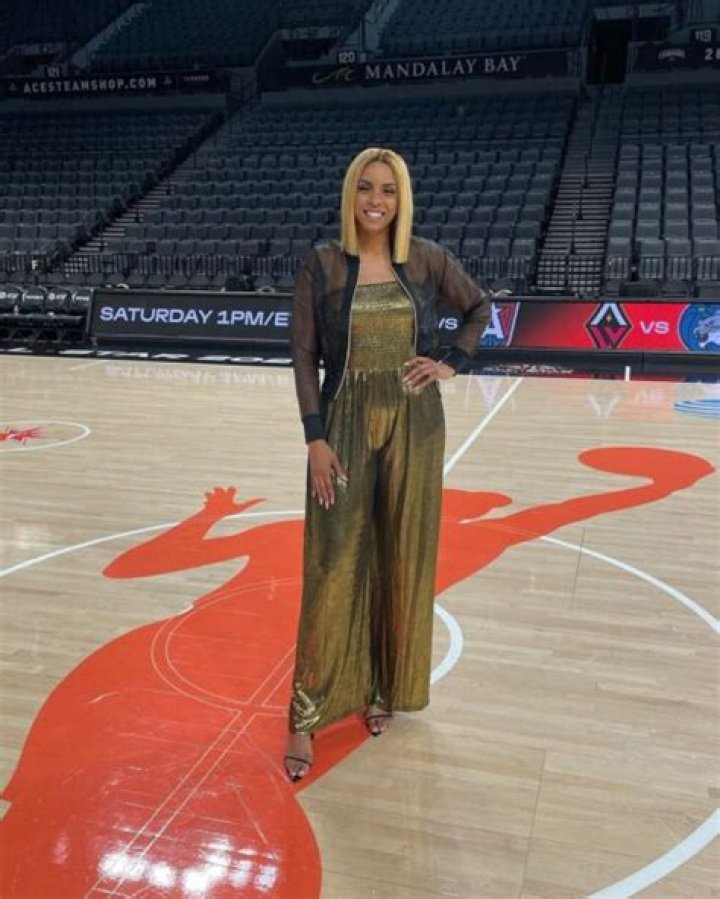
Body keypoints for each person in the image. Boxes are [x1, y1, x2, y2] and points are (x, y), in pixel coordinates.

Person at [284, 147, 492, 781]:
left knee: (400, 556)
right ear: (351, 195)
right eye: (366, 188)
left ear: (402, 200)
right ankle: (305, 715)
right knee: (333, 562)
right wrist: (315, 438)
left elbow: (479, 308)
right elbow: (303, 355)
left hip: (414, 419)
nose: (376, 201)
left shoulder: (426, 259)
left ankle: (382, 689)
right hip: (344, 421)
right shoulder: (323, 264)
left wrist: (450, 362)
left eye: (388, 190)